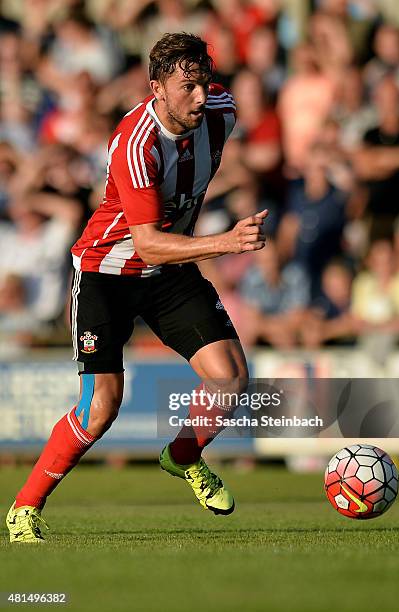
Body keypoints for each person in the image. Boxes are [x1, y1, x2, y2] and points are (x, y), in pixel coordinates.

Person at [6, 32, 267, 543]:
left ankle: (183, 456)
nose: (200, 96)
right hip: (108, 271)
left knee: (231, 379)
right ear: (156, 88)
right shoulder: (134, 142)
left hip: (168, 272)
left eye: (204, 84)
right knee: (102, 407)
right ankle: (24, 508)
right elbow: (147, 244)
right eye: (187, 86)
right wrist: (227, 242)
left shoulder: (222, 112)